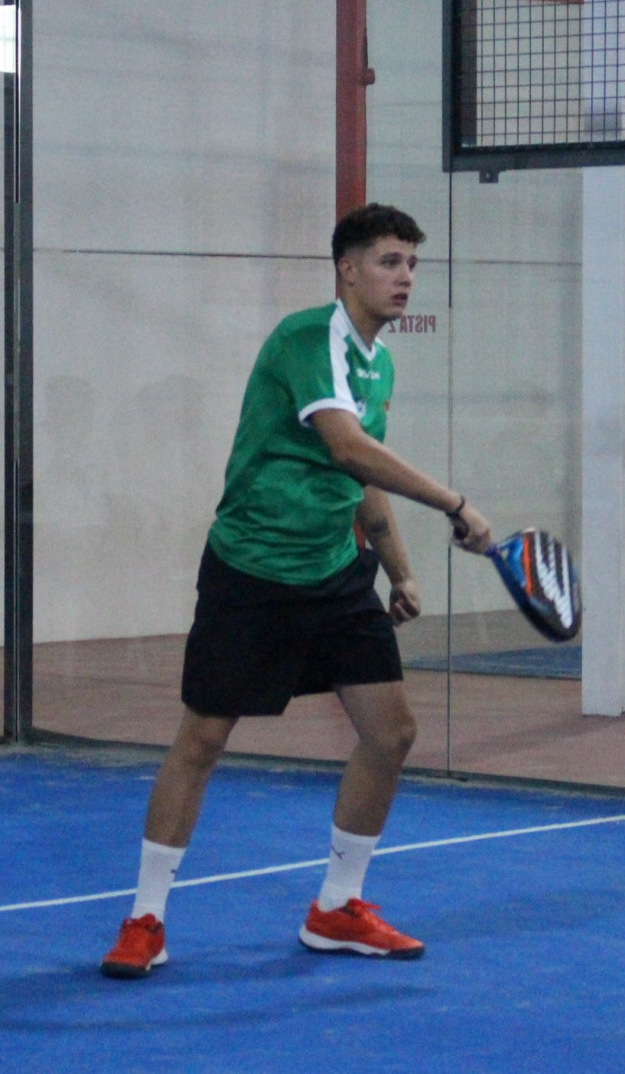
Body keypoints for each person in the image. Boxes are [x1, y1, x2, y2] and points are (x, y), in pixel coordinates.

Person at [101, 204, 495, 979]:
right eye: (389, 261)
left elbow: (359, 474)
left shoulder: (379, 364)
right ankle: (145, 918)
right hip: (252, 567)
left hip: (333, 570)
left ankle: (337, 907)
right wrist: (454, 503)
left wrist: (399, 568)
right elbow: (347, 446)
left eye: (412, 264)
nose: (405, 277)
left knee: (391, 732)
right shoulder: (306, 338)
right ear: (348, 269)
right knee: (203, 739)